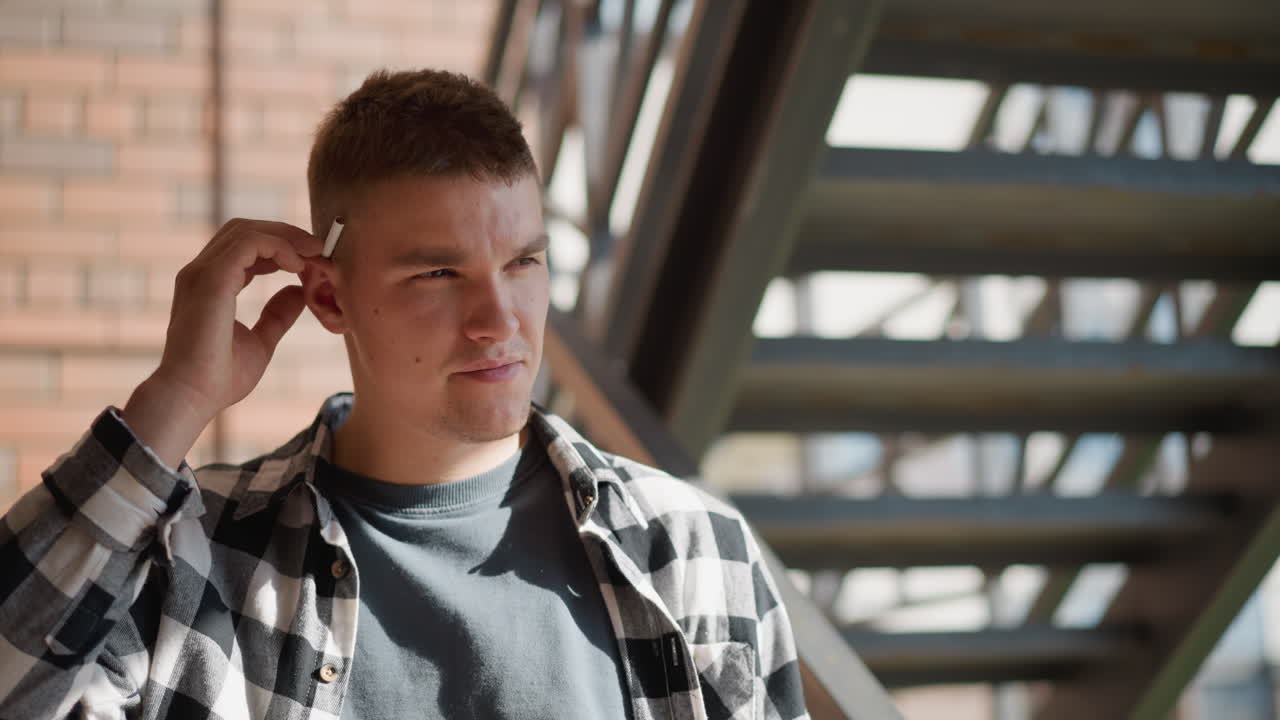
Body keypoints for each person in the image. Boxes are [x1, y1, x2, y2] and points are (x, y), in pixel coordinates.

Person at [0, 69, 807, 720]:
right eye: (438, 273)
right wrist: (177, 396)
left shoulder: (697, 555)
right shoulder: (195, 564)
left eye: (524, 262)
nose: (501, 322)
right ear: (328, 298)